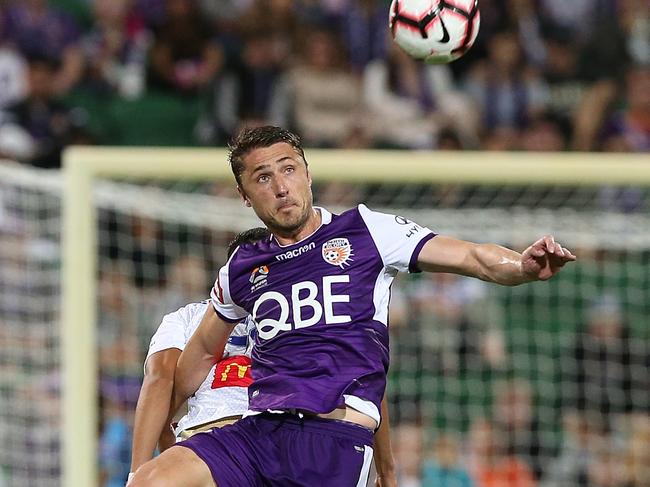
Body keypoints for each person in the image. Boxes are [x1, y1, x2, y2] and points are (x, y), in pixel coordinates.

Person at [129, 125, 575, 487]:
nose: (281, 187)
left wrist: (521, 265)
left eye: (289, 169)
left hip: (333, 442)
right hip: (257, 433)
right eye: (263, 178)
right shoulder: (242, 267)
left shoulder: (367, 231)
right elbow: (203, 354)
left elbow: (470, 256)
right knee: (147, 482)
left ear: (308, 174)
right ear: (245, 196)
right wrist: (168, 423)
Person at [128, 228, 267, 481]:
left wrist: (138, 472)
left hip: (208, 439)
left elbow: (160, 379)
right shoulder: (304, 314)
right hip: (272, 438)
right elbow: (160, 380)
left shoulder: (186, 317)